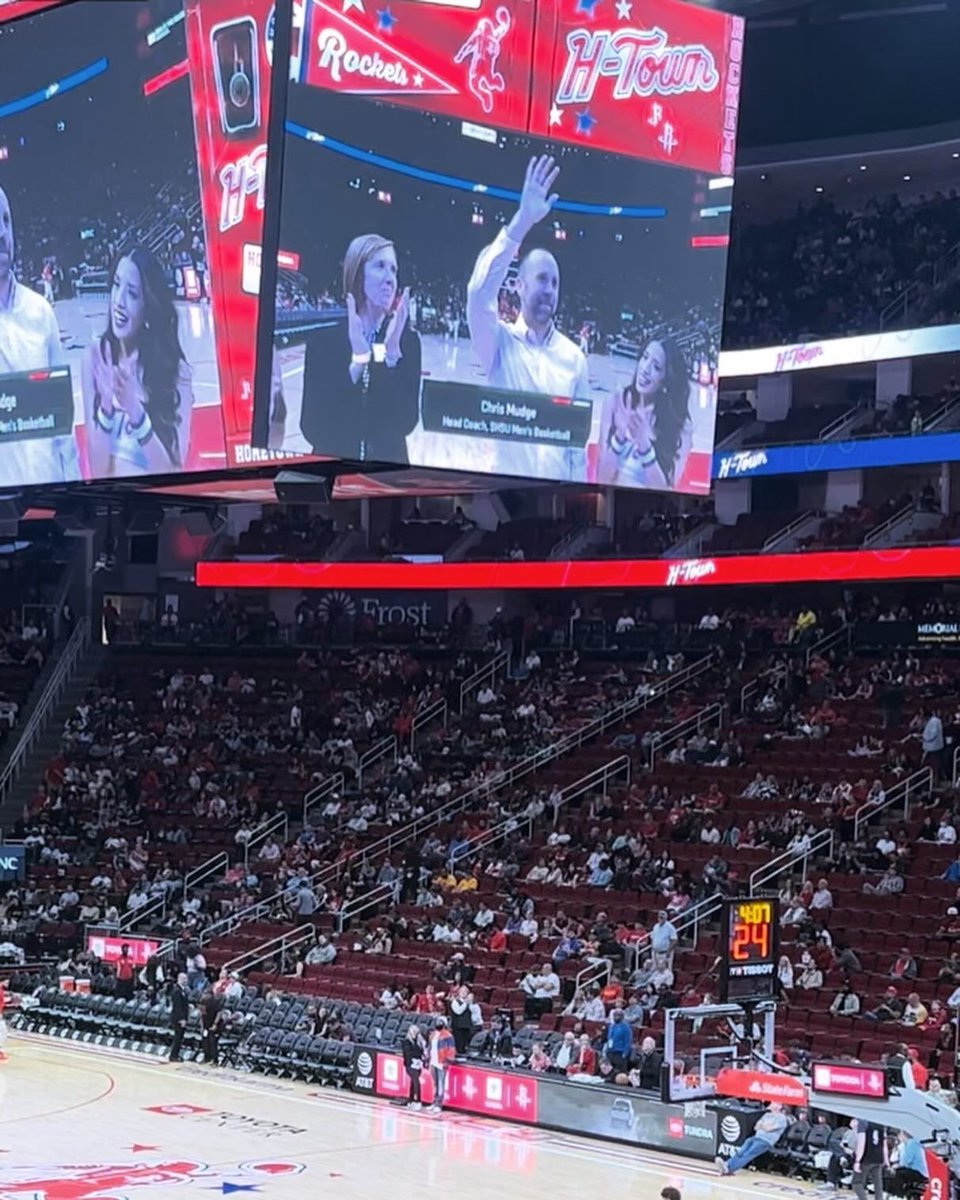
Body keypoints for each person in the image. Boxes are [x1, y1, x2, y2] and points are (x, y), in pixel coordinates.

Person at [465, 153, 589, 482]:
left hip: (557, 502)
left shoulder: (574, 359)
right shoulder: (498, 343)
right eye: (541, 279)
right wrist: (523, 221)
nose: (549, 289)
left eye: (555, 282)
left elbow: (577, 445)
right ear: (518, 285)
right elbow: (478, 294)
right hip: (504, 490)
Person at [294, 233, 420, 464]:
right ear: (357, 274)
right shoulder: (324, 341)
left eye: (394, 269)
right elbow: (312, 427)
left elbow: (405, 422)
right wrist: (358, 363)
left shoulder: (407, 343)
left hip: (386, 484)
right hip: (333, 481)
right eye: (380, 266)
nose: (391, 278)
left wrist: (389, 358)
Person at [81, 246, 195, 479]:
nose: (118, 301)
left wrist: (136, 413)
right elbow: (98, 471)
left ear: (149, 307)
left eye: (132, 293)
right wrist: (105, 408)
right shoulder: (94, 360)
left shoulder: (176, 372)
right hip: (109, 506)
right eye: (116, 284)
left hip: (158, 505)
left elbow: (173, 474)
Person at [0, 185, 79, 483]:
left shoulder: (40, 311)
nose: (2, 234)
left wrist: (74, 493)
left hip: (49, 501)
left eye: (6, 220)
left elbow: (62, 425)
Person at [595, 335, 692, 489]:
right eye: (645, 357)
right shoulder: (614, 403)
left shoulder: (681, 426)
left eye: (656, 367)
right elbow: (600, 478)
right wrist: (619, 436)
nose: (645, 369)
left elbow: (666, 491)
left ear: (666, 380)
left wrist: (644, 445)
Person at [718, 1102, 789, 1175]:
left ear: (780, 1106)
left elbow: (769, 1128)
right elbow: (756, 1127)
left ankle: (729, 1169)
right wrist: (763, 1126)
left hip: (766, 1141)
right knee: (740, 1152)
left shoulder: (782, 1118)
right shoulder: (767, 1115)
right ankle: (727, 1164)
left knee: (748, 1154)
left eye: (774, 1103)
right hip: (756, 1137)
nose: (771, 1104)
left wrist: (763, 1126)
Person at [852, 1119, 888, 1200]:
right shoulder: (882, 1123)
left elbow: (861, 1143)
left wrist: (857, 1161)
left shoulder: (863, 1122)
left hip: (866, 1158)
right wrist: (886, 1161)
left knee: (857, 1183)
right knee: (878, 1185)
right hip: (879, 1157)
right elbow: (884, 1145)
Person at [428, 1016, 456, 1113]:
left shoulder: (448, 1036)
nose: (438, 1023)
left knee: (441, 1084)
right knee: (435, 1084)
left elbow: (451, 1050)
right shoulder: (433, 1035)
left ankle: (439, 1104)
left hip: (442, 1063)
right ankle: (434, 1101)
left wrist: (447, 1061)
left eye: (440, 1022)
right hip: (433, 1062)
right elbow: (430, 1048)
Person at [893, 1129, 928, 1194]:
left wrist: (896, 1165)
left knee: (899, 1173)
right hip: (924, 1172)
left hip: (919, 1172)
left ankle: (898, 1195)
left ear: (903, 1135)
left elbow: (906, 1161)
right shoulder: (916, 1143)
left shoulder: (911, 1144)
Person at [401, 1023, 426, 1109]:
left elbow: (421, 1052)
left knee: (413, 1082)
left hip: (418, 1064)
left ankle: (410, 1100)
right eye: (414, 1031)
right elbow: (408, 1053)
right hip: (410, 1065)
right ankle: (418, 1101)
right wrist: (415, 1057)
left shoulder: (419, 1042)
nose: (415, 1033)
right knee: (416, 1082)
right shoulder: (406, 1042)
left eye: (416, 1031)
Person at [168, 972, 190, 1063]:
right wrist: (182, 1019)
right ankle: (173, 1055)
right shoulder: (177, 991)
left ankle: (176, 1054)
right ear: (179, 979)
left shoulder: (183, 990)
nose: (186, 980)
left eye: (186, 978)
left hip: (181, 1017)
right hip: (178, 1018)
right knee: (178, 1037)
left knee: (180, 1037)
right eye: (184, 979)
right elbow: (177, 1006)